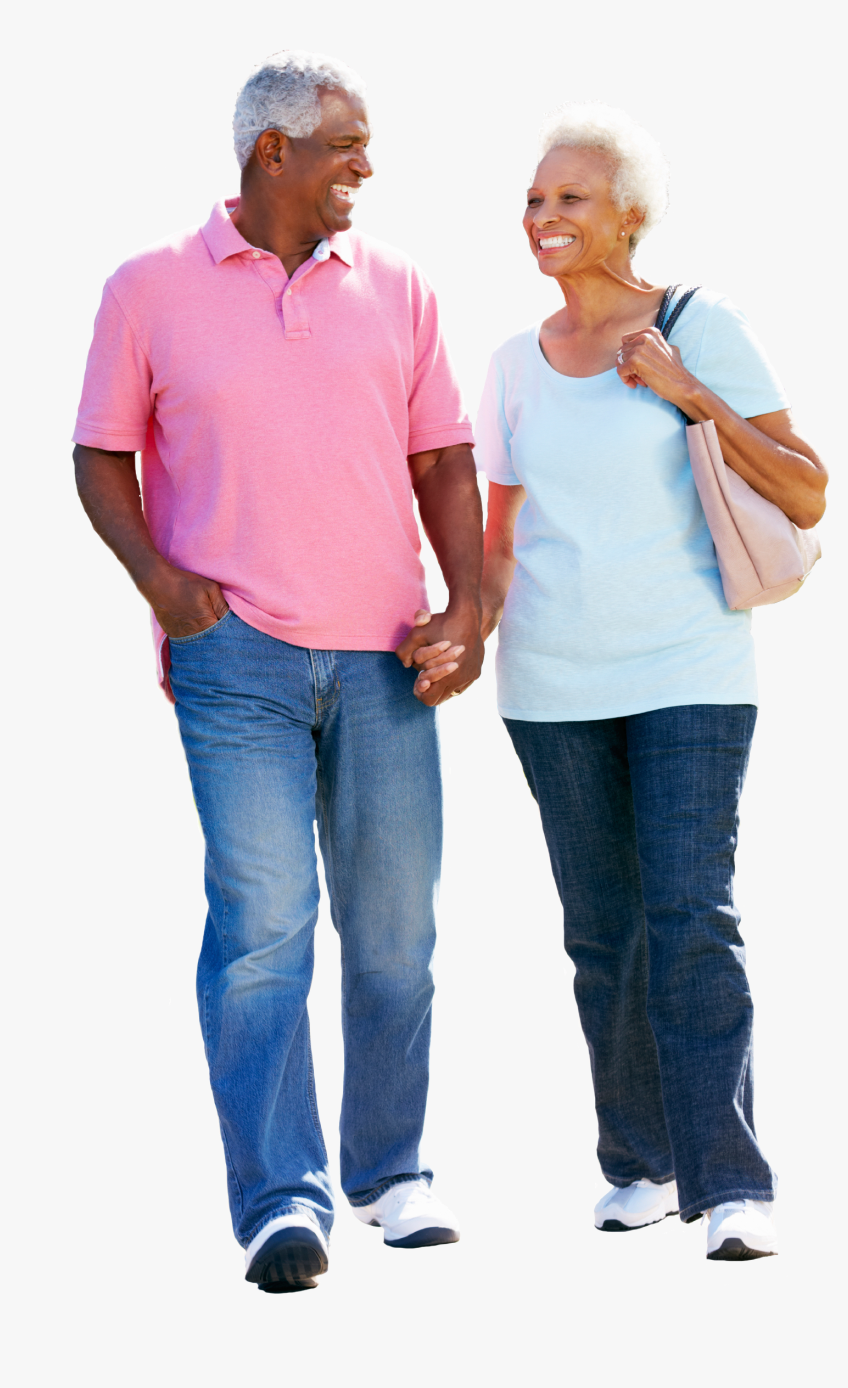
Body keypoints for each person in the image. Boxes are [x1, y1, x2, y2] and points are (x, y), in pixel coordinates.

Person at [73, 50, 484, 1292]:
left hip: (383, 657)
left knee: (395, 934)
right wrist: (161, 583)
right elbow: (98, 456)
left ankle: (389, 1171)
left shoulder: (399, 287)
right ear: (274, 154)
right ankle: (279, 1200)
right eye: (347, 144)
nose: (367, 165)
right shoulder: (147, 288)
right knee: (262, 930)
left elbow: (445, 458)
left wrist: (468, 602)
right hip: (234, 654)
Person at [477, 103, 826, 1261]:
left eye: (568, 196)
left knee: (689, 915)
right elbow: (499, 536)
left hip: (687, 670)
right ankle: (637, 1159)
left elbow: (808, 489)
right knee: (603, 934)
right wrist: (463, 629)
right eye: (534, 197)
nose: (543, 216)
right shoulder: (510, 365)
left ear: (628, 211)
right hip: (549, 685)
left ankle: (730, 1181)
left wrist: (690, 394)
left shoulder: (697, 323)